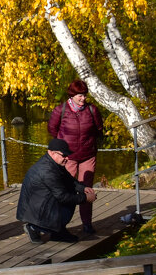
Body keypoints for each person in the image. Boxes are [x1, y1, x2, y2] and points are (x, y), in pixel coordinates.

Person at [48, 79, 105, 235]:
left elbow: (99, 128)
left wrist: (90, 143)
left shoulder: (92, 110)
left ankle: (87, 224)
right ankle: (59, 223)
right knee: (65, 190)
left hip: (88, 155)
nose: (83, 98)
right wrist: (64, 147)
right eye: (79, 95)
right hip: (68, 157)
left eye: (84, 95)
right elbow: (52, 129)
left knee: (87, 190)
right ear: (72, 95)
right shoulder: (61, 110)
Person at [16, 138, 97, 243]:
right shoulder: (48, 171)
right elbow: (63, 197)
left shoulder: (53, 163)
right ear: (52, 153)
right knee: (70, 197)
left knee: (72, 192)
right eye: (64, 155)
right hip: (35, 211)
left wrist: (83, 188)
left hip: (38, 204)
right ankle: (34, 228)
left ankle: (57, 231)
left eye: (67, 155)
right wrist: (85, 198)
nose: (67, 158)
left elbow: (69, 180)